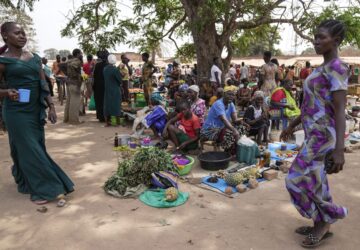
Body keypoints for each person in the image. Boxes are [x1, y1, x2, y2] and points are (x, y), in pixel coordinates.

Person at [280, 20, 349, 248]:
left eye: (322, 37)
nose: (316, 41)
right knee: (317, 182)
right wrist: (293, 124)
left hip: (323, 137)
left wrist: (339, 149)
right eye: (315, 37)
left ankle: (328, 218)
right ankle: (321, 222)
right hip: (312, 134)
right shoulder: (320, 69)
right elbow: (312, 104)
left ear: (336, 41)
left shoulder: (337, 68)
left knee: (295, 180)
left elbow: (340, 110)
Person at [0, 21, 74, 204]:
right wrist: (6, 92)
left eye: (23, 32)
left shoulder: (34, 57)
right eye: (17, 33)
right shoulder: (2, 62)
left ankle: (25, 180)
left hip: (34, 110)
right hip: (16, 112)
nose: (22, 36)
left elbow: (43, 83)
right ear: (5, 37)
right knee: (30, 149)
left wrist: (51, 106)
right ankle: (48, 189)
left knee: (32, 147)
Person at [200, 85, 249, 154]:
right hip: (210, 130)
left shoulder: (231, 104)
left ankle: (234, 151)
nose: (231, 97)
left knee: (242, 128)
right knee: (231, 133)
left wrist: (243, 123)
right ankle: (229, 152)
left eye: (233, 95)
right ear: (224, 94)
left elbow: (235, 120)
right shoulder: (218, 104)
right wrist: (234, 130)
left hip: (221, 128)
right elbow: (224, 120)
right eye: (229, 94)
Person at [64, 48, 83, 124]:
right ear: (77, 54)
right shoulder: (77, 61)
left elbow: (61, 65)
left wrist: (67, 74)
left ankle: (66, 119)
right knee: (75, 102)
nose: (81, 54)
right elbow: (76, 69)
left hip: (69, 82)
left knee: (69, 101)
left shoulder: (69, 60)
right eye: (81, 53)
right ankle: (74, 120)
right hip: (75, 83)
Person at [103, 54, 122, 127]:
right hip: (115, 89)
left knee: (107, 105)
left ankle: (107, 122)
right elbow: (120, 80)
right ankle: (118, 123)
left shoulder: (105, 69)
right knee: (116, 105)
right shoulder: (115, 69)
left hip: (107, 89)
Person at [93, 50, 109, 122]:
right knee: (105, 101)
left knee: (99, 101)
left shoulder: (97, 65)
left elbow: (95, 76)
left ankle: (100, 117)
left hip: (98, 85)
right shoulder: (108, 66)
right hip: (105, 85)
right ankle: (106, 117)